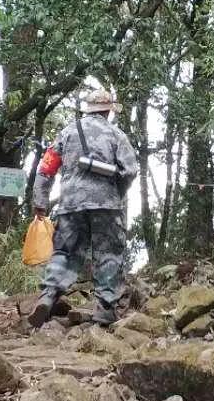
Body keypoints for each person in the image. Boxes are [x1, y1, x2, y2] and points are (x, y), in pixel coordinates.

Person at [28, 88, 138, 328]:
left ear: (87, 109)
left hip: (70, 204)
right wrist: (117, 191)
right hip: (107, 205)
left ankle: (48, 296)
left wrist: (41, 202)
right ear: (108, 110)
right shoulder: (116, 134)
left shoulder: (66, 133)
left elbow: (46, 169)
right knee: (107, 253)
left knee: (65, 252)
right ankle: (105, 308)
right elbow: (130, 170)